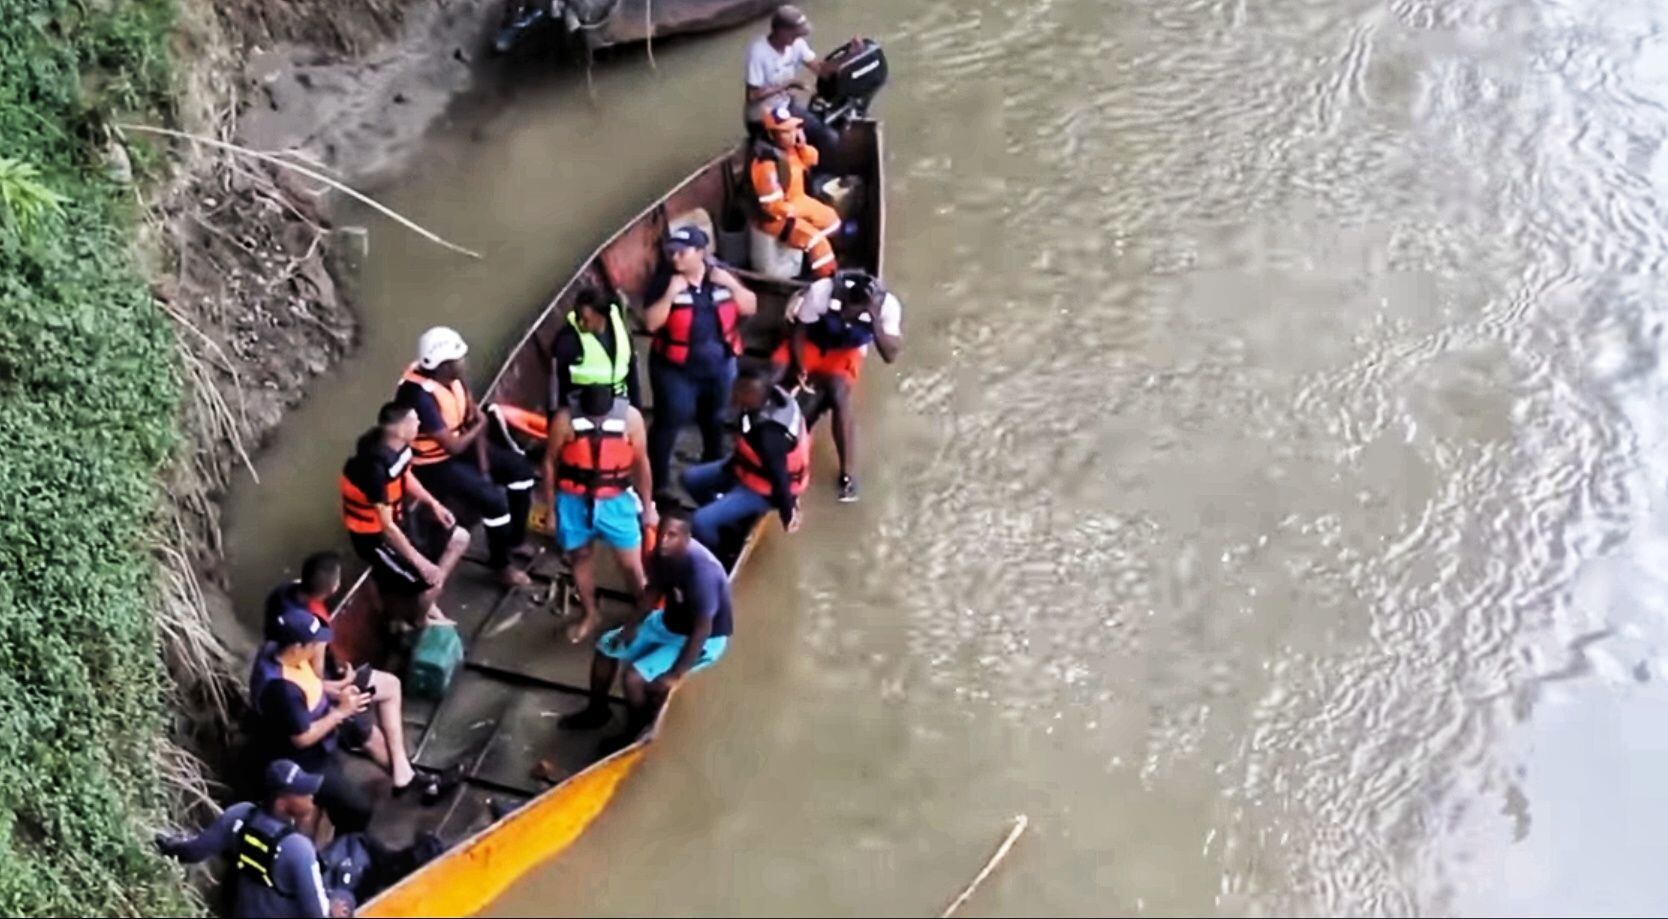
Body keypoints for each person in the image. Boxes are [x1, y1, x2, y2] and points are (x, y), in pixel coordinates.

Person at [556, 507, 731, 739]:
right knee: (606, 647)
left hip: (703, 638)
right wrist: (631, 626)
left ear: (687, 538)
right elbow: (653, 591)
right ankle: (597, 711)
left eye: (672, 536)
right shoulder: (660, 554)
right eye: (661, 533)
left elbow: (702, 629)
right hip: (670, 622)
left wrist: (675, 674)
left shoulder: (702, 574)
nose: (663, 541)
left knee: (634, 678)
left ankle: (634, 731)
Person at [396, 326, 537, 588]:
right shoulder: (419, 397)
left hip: (463, 443)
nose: (464, 363)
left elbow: (473, 418)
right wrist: (480, 425)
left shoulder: (453, 380)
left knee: (520, 470)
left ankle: (515, 539)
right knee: (494, 502)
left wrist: (484, 467)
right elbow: (454, 446)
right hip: (432, 465)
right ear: (443, 366)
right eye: (458, 359)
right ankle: (501, 566)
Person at [263, 552, 416, 794]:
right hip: (319, 693)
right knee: (388, 691)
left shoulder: (282, 593)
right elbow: (317, 673)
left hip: (302, 675)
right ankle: (403, 773)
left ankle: (404, 771)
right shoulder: (316, 622)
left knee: (370, 713)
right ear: (333, 587)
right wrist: (341, 690)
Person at [643, 226, 759, 490]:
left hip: (719, 366)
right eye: (671, 252)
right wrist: (671, 294)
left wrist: (730, 283)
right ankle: (657, 483)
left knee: (715, 419)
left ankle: (712, 472)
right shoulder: (664, 281)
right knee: (670, 421)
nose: (675, 258)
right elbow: (651, 324)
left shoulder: (720, 275)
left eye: (682, 252)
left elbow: (750, 306)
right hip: (676, 370)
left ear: (700, 253)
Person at [541, 383, 657, 643]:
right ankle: (591, 613)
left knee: (631, 566)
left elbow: (641, 463)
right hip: (573, 501)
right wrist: (550, 510)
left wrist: (648, 507)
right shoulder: (564, 419)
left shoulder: (632, 419)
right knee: (579, 558)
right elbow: (549, 463)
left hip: (616, 501)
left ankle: (645, 618)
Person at [340, 401, 471, 628]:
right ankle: (418, 620)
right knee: (431, 581)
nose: (419, 423)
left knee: (460, 537)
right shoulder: (374, 471)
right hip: (374, 538)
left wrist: (433, 504)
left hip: (400, 522)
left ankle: (427, 601)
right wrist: (422, 564)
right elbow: (387, 527)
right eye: (414, 420)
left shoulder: (399, 448)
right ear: (398, 430)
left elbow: (405, 475)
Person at [776, 269, 902, 502]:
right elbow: (800, 331)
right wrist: (800, 366)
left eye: (852, 312)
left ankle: (848, 473)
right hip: (814, 342)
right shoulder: (821, 292)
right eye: (843, 308)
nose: (845, 314)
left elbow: (891, 355)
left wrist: (875, 322)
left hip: (846, 351)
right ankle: (766, 436)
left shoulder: (888, 307)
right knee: (774, 376)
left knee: (838, 394)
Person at [248, 608, 374, 835]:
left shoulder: (277, 652)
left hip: (324, 741)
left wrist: (337, 692)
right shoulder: (283, 691)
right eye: (312, 643)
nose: (318, 647)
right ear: (297, 647)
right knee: (359, 809)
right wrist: (341, 712)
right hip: (305, 759)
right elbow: (302, 738)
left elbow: (310, 685)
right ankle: (345, 851)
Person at [157, 759, 334, 918]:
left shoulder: (241, 815)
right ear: (281, 803)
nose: (311, 796)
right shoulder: (299, 849)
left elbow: (193, 851)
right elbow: (318, 913)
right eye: (303, 793)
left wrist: (163, 843)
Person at [682, 367, 810, 551]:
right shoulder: (772, 396)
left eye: (738, 391)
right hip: (743, 467)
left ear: (751, 395)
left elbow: (780, 477)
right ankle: (724, 518)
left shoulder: (767, 436)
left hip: (763, 490)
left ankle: (720, 550)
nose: (732, 393)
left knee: (700, 521)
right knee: (690, 478)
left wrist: (787, 512)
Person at [750, 103, 842, 279]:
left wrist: (802, 145)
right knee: (818, 243)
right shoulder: (766, 164)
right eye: (786, 131)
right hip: (777, 217)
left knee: (832, 221)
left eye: (794, 128)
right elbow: (771, 206)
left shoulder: (792, 150)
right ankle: (826, 280)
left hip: (798, 200)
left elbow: (812, 160)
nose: (792, 134)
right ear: (772, 134)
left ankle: (808, 255)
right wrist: (795, 214)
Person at [743, 4, 839, 156]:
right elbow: (752, 95)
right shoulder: (758, 52)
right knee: (787, 152)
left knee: (828, 137)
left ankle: (820, 175)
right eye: (794, 34)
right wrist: (787, 85)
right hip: (762, 116)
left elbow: (821, 70)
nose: (797, 38)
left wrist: (848, 56)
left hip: (785, 106)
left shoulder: (797, 44)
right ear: (781, 31)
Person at [551, 287, 641, 409]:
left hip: (620, 404)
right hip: (583, 407)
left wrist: (637, 409)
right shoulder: (568, 339)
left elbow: (632, 372)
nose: (580, 323)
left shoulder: (621, 330)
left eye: (586, 319)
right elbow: (558, 382)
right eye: (578, 317)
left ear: (601, 316)